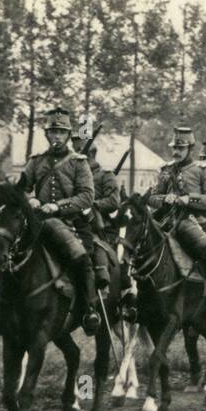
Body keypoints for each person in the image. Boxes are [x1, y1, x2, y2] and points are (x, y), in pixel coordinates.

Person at [17, 107, 101, 334]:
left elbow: (87, 196)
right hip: (37, 222)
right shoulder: (36, 161)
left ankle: (89, 309)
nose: (57, 136)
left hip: (70, 223)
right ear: (46, 135)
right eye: (53, 132)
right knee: (8, 251)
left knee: (81, 257)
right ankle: (3, 304)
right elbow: (22, 188)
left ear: (68, 135)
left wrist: (58, 206)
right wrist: (31, 199)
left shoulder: (79, 162)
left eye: (61, 132)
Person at [147, 126, 206, 322]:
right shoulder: (166, 170)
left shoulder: (202, 170)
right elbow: (151, 198)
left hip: (195, 221)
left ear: (190, 149)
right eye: (174, 148)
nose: (176, 152)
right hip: (167, 221)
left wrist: (189, 199)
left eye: (181, 148)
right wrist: (164, 199)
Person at [72, 122, 120, 293]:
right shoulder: (70, 175)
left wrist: (93, 205)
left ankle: (106, 287)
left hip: (98, 225)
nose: (75, 154)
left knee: (97, 249)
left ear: (91, 154)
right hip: (71, 220)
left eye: (79, 150)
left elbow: (114, 201)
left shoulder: (104, 175)